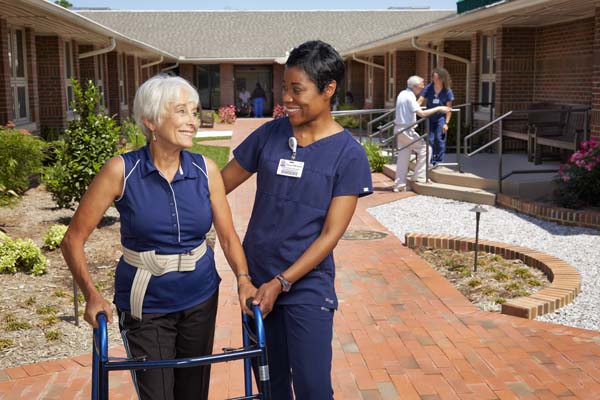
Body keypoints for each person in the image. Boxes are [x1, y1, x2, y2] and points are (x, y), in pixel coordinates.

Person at [61, 75, 256, 400]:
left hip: (201, 298)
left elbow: (228, 235)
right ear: (150, 121)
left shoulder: (205, 170)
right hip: (146, 306)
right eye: (181, 111)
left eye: (194, 112)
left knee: (193, 393)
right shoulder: (121, 170)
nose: (193, 121)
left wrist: (243, 278)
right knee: (159, 395)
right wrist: (92, 295)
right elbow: (72, 240)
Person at [221, 40, 373, 399]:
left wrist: (282, 282)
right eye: (284, 89)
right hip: (256, 286)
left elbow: (330, 236)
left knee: (313, 388)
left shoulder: (348, 155)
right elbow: (218, 188)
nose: (286, 98)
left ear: (328, 88)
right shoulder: (271, 135)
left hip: (305, 286)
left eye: (296, 90)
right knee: (271, 389)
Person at [394, 75, 451, 192]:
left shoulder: (402, 94)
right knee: (426, 149)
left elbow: (414, 108)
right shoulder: (409, 97)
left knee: (403, 157)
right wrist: (439, 108)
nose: (423, 88)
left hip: (399, 129)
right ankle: (419, 176)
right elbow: (422, 114)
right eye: (421, 86)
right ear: (414, 87)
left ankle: (399, 185)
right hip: (407, 130)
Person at [418, 68, 454, 166]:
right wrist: (414, 107)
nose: (435, 80)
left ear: (442, 79)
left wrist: (446, 123)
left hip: (440, 118)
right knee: (430, 139)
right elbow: (420, 100)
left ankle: (439, 161)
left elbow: (449, 108)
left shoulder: (447, 91)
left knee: (439, 138)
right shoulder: (429, 88)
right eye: (433, 78)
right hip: (429, 116)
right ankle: (430, 159)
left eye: (437, 78)